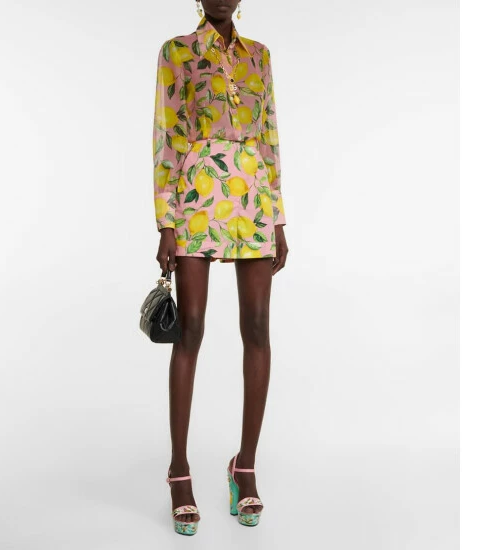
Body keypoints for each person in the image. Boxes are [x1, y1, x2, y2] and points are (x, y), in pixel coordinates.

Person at [152, 0, 289, 535]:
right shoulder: (177, 52)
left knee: (257, 327)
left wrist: (278, 218)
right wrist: (166, 221)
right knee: (191, 329)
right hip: (196, 199)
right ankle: (178, 470)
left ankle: (244, 465)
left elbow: (270, 137)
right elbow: (167, 138)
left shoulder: (260, 56)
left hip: (253, 199)